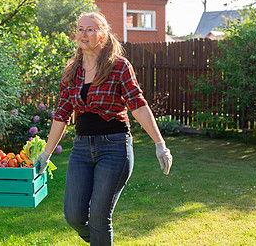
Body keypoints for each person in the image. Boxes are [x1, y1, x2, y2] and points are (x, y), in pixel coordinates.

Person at [36, 12, 172, 245]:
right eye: (80, 29)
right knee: (74, 216)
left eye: (90, 29)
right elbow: (61, 113)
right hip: (81, 148)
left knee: (99, 217)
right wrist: (46, 153)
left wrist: (160, 145)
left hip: (114, 147)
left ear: (103, 34)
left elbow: (138, 105)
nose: (83, 34)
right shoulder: (72, 70)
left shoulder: (118, 66)